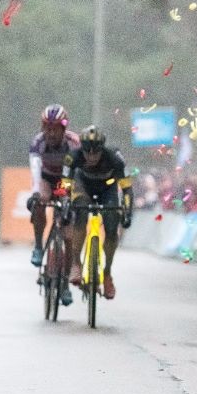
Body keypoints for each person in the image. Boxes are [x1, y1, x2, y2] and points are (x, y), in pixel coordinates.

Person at [61, 126, 133, 300]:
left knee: (111, 224)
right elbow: (66, 183)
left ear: (102, 149)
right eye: (88, 152)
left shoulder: (115, 158)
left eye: (96, 152)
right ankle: (76, 264)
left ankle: (107, 273)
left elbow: (127, 189)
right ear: (82, 149)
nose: (91, 156)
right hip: (82, 185)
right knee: (80, 213)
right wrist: (65, 202)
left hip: (107, 188)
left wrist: (127, 211)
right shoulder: (73, 156)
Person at [27, 104, 80, 306]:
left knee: (68, 237)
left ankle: (65, 283)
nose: (50, 132)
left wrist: (66, 197)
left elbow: (73, 172)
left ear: (63, 128)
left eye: (54, 128)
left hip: (67, 180)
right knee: (40, 200)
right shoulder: (38, 142)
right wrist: (35, 194)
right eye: (46, 127)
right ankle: (39, 245)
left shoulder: (74, 143)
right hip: (47, 179)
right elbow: (35, 170)